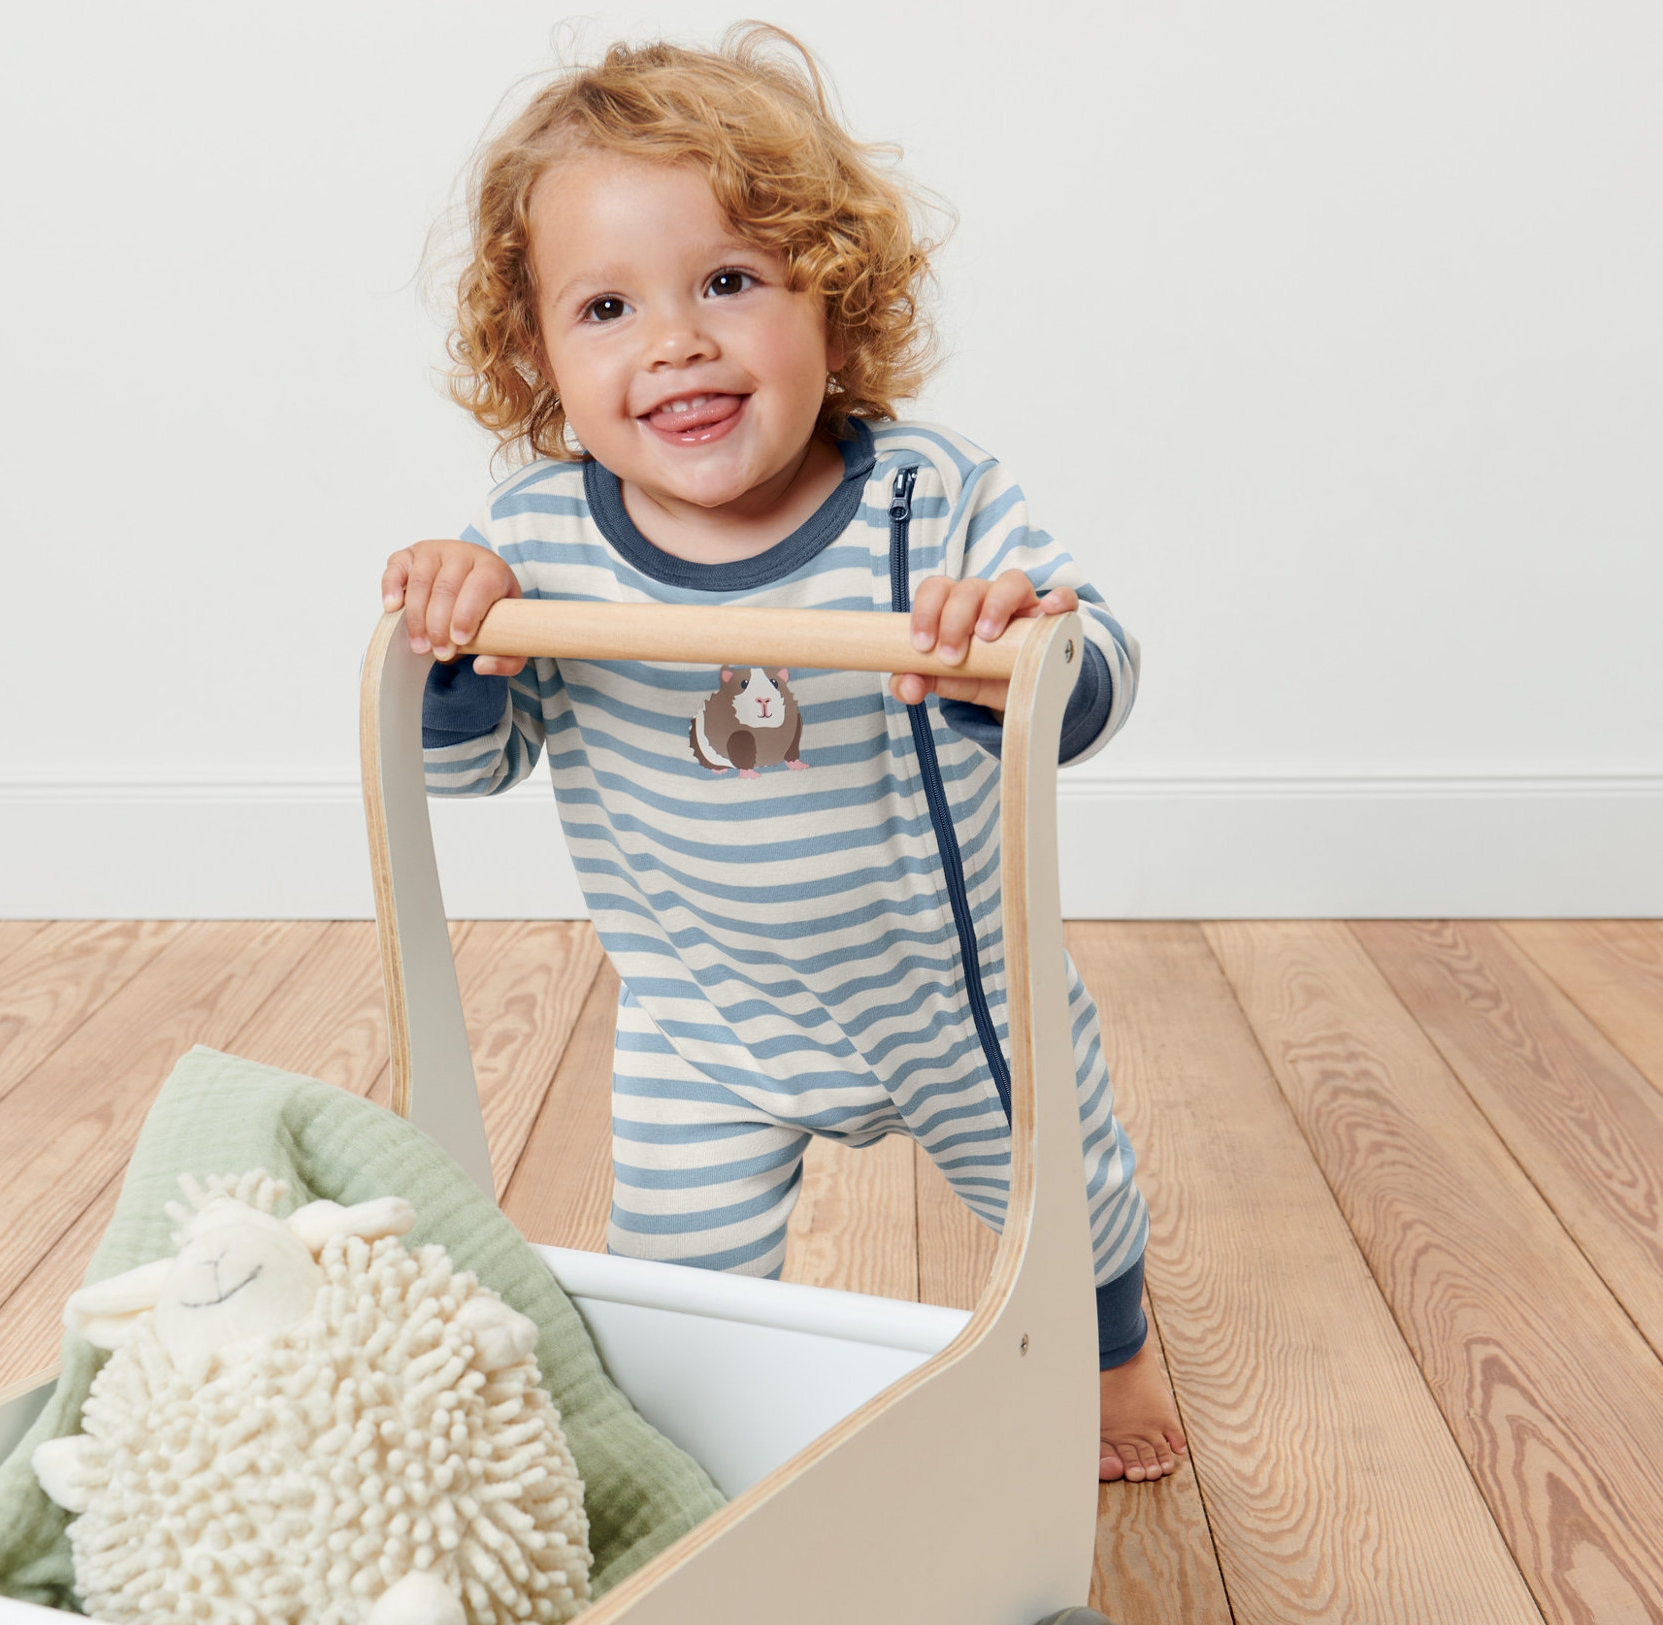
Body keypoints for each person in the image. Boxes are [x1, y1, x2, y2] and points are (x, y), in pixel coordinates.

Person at [382, 25, 1185, 1482]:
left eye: (730, 284)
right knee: (675, 1285)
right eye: (608, 307)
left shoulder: (926, 498)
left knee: (1072, 1195)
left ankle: (1113, 1356)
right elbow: (464, 770)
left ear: (834, 299)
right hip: (706, 1012)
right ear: (538, 353)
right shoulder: (541, 545)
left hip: (950, 991)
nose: (676, 341)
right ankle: (699, 1459)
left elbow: (1098, 661)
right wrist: (450, 649)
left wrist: (1007, 647)